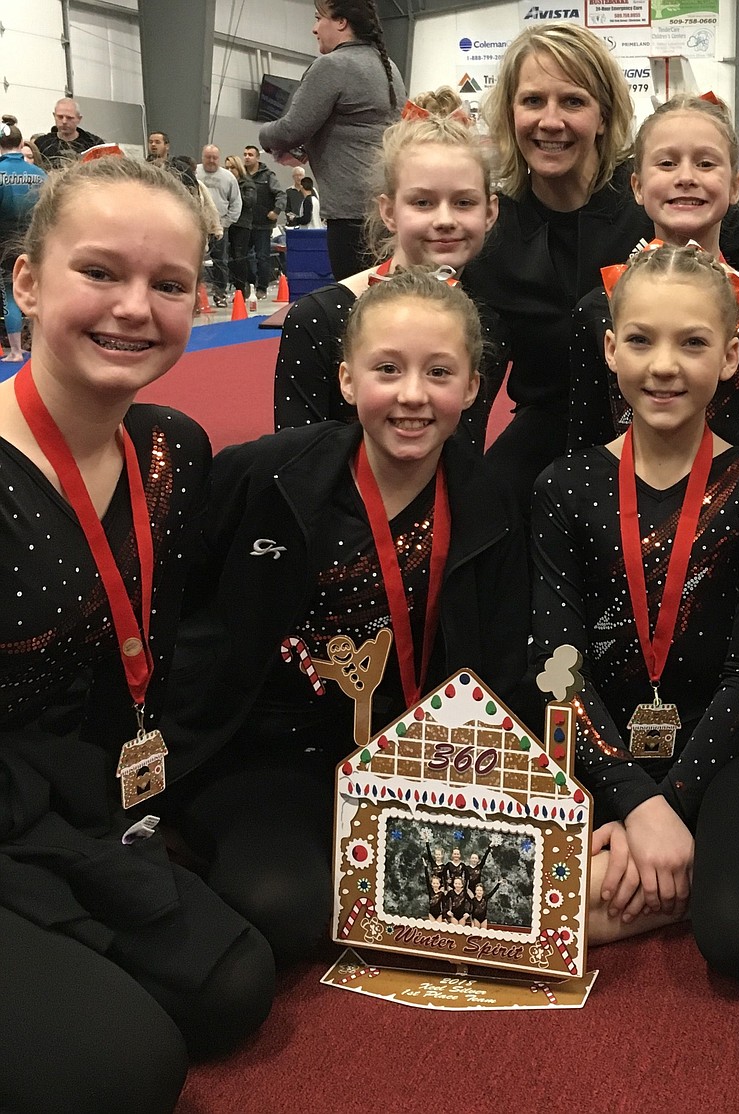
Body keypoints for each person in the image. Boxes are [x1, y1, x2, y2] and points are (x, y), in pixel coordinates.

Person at [0, 155, 274, 1114]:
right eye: (100, 272)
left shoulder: (171, 445)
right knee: (125, 1072)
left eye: (168, 285)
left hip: (82, 802)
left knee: (237, 985)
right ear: (26, 281)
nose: (134, 308)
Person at [165, 269, 533, 966]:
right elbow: (179, 603)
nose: (413, 395)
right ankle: (197, 840)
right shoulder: (265, 476)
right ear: (345, 379)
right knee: (285, 910)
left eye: (440, 372)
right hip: (273, 752)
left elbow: (506, 663)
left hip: (414, 760)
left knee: (525, 878)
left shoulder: (491, 503)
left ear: (475, 388)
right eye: (386, 369)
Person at [532, 243, 739, 978]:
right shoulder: (565, 487)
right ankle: (682, 874)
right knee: (512, 904)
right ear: (610, 349)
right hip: (601, 739)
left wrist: (670, 803)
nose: (663, 366)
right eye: (643, 340)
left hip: (731, 739)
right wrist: (628, 798)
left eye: (692, 343)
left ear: (729, 357)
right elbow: (556, 669)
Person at [462, 22, 739, 503]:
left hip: (659, 421)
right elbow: (468, 359)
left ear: (603, 115)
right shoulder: (492, 229)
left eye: (573, 102)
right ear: (510, 112)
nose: (550, 121)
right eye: (533, 101)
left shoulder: (656, 200)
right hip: (551, 426)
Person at [567, 93, 739, 452]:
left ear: (735, 187)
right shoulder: (600, 308)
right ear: (638, 187)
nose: (686, 177)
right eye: (667, 163)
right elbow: (581, 452)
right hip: (617, 504)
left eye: (705, 164)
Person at [273, 95, 506, 451]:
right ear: (389, 211)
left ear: (489, 213)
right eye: (422, 202)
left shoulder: (487, 320)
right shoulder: (319, 318)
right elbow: (294, 463)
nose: (445, 220)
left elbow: (464, 454)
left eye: (464, 202)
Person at [259, 0, 405, 279]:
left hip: (350, 214)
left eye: (319, 18)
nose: (314, 28)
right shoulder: (388, 67)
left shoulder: (332, 66)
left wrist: (264, 134)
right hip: (384, 210)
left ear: (341, 23)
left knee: (355, 304)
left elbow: (291, 129)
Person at [0, 116, 47, 362]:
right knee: (38, 290)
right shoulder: (39, 173)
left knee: (10, 292)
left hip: (5, 243)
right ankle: (41, 345)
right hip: (36, 240)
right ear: (20, 145)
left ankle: (16, 350)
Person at [195, 144, 240, 307]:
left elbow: (236, 203)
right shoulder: (194, 173)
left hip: (219, 227)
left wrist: (224, 224)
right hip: (196, 227)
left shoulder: (228, 177)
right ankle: (195, 296)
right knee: (195, 261)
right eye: (208, 157)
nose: (211, 160)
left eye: (215, 157)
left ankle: (220, 294)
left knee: (220, 261)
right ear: (202, 157)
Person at [238, 144, 285, 298]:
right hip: (244, 224)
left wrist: (276, 211)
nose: (246, 157)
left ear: (257, 157)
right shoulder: (240, 176)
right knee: (243, 257)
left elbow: (281, 194)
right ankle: (248, 284)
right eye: (245, 154)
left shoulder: (268, 176)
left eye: (250, 154)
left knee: (262, 257)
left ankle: (262, 288)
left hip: (263, 224)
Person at [223, 154, 257, 302]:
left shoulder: (247, 183)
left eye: (232, 168)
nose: (229, 171)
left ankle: (241, 289)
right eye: (227, 168)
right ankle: (233, 286)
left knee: (239, 256)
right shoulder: (225, 183)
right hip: (228, 223)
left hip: (242, 224)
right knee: (229, 256)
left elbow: (250, 202)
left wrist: (234, 194)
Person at [33, 97, 103, 167]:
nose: (64, 121)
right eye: (60, 117)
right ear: (54, 116)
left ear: (79, 119)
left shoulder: (94, 144)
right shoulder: (41, 143)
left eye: (69, 118)